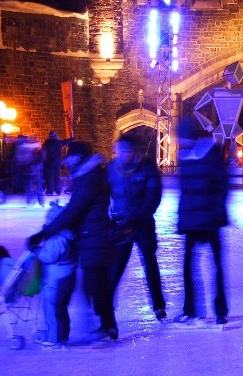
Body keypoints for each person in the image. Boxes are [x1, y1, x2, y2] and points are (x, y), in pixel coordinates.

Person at [27, 141, 118, 341]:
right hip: (91, 237)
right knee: (95, 285)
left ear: (78, 158)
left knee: (95, 286)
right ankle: (106, 325)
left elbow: (73, 211)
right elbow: (74, 210)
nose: (67, 161)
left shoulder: (89, 178)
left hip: (95, 238)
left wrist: (44, 233)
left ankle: (107, 326)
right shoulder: (88, 175)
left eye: (70, 156)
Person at [173, 117, 230, 326]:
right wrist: (182, 218)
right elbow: (185, 191)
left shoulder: (211, 153)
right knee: (190, 266)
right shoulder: (185, 155)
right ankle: (191, 309)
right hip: (193, 219)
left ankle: (220, 311)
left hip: (210, 219)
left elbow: (221, 187)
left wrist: (215, 212)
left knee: (215, 266)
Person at [107, 134, 167, 321]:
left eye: (127, 151)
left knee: (150, 264)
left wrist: (141, 213)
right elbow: (104, 194)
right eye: (120, 151)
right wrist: (110, 218)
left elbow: (154, 194)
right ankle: (106, 306)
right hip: (121, 224)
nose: (124, 155)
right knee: (116, 267)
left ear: (134, 152)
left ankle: (158, 305)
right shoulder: (111, 169)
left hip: (142, 224)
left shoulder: (146, 167)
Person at [35, 202, 77, 349]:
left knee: (52, 308)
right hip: (64, 277)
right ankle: (60, 336)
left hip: (56, 280)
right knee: (59, 308)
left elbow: (49, 257)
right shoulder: (68, 236)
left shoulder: (58, 238)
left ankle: (56, 338)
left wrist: (36, 251)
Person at [41, 131, 72, 196]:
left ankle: (50, 191)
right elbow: (66, 141)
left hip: (49, 162)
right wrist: (71, 138)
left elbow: (43, 152)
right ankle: (58, 191)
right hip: (57, 162)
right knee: (57, 176)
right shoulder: (59, 142)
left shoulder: (46, 143)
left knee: (49, 177)